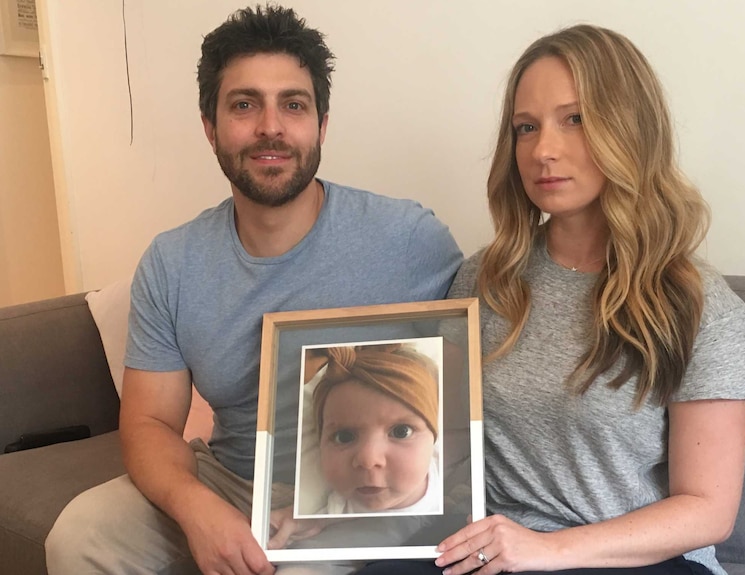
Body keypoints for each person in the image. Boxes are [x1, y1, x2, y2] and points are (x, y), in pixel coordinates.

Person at [44, 5, 461, 575]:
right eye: (244, 105)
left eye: (294, 104)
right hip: (229, 476)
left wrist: (353, 504)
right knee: (80, 534)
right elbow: (149, 423)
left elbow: (473, 387)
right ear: (210, 127)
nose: (271, 127)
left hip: (367, 486)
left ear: (321, 124)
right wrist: (199, 509)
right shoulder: (174, 261)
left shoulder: (410, 240)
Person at [356, 24, 745, 575]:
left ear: (629, 129)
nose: (543, 150)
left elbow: (708, 510)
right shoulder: (484, 279)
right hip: (494, 551)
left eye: (576, 119)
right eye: (526, 127)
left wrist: (548, 550)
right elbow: (430, 441)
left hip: (641, 562)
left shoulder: (702, 308)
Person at [308, 343, 442, 516]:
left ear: (433, 436)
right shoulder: (333, 514)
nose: (368, 459)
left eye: (401, 432)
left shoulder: (448, 469)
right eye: (344, 436)